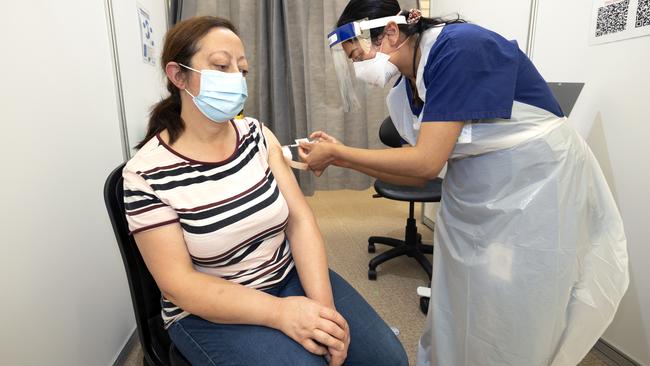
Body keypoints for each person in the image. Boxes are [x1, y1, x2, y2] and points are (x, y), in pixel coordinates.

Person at [299, 1, 630, 365]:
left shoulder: (457, 48)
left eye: (357, 55)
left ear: (390, 32)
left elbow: (426, 160)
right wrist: (342, 156)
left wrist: (341, 154)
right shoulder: (403, 91)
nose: (357, 66)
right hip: (476, 183)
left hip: (537, 179)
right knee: (459, 289)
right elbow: (417, 170)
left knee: (514, 295)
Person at [122, 16, 408, 366]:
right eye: (220, 66)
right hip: (210, 310)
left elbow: (299, 221)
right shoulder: (145, 174)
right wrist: (281, 313)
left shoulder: (257, 135)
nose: (235, 80)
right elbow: (178, 283)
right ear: (178, 76)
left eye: (241, 70)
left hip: (285, 275)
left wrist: (322, 310)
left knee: (387, 359)